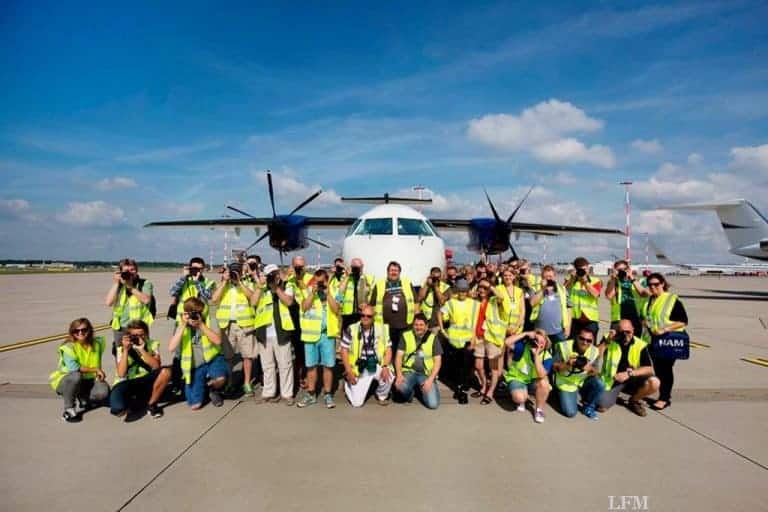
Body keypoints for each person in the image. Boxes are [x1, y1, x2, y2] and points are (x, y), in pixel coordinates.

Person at [168, 297, 228, 409]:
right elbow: (171, 348)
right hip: (195, 366)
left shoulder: (210, 320)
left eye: (196, 313)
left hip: (212, 360)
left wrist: (201, 325)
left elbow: (218, 340)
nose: (193, 316)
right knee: (195, 405)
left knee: (220, 378)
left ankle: (213, 389)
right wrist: (183, 325)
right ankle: (204, 389)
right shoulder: (181, 325)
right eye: (189, 313)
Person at [250, 264, 296, 405]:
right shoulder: (261, 288)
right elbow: (253, 302)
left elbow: (289, 301)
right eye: (270, 274)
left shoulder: (288, 285)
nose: (273, 277)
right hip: (264, 333)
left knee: (285, 364)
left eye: (275, 274)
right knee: (267, 366)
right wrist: (261, 286)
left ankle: (287, 394)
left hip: (281, 332)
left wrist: (276, 288)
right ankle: (268, 392)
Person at [297, 269, 342, 408]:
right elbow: (304, 307)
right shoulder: (306, 291)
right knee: (311, 366)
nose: (319, 284)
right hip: (310, 335)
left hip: (327, 335)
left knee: (328, 366)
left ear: (327, 280)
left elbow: (336, 309)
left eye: (322, 281)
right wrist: (313, 292)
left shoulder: (335, 290)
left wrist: (328, 294)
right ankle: (311, 394)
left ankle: (328, 394)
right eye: (317, 281)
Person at [211, 260, 257, 396]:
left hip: (244, 324)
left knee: (247, 356)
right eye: (233, 271)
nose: (235, 273)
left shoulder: (247, 283)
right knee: (228, 356)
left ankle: (247, 383)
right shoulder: (224, 285)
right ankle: (230, 382)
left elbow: (253, 297)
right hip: (227, 325)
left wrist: (239, 282)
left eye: (238, 270)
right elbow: (214, 299)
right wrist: (224, 281)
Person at [49, 318, 109, 422]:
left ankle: (83, 398)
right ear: (72, 333)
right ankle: (69, 409)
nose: (80, 333)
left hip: (88, 380)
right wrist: (96, 369)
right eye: (76, 331)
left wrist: (97, 376)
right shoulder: (68, 347)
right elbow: (74, 368)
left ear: (90, 330)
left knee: (103, 392)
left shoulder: (98, 343)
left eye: (84, 330)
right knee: (76, 376)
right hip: (67, 381)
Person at [643, 272, 688, 411]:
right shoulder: (649, 300)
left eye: (656, 284)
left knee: (665, 370)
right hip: (653, 341)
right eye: (649, 285)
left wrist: (664, 329)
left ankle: (664, 398)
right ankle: (662, 395)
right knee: (658, 369)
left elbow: (683, 321)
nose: (652, 287)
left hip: (669, 340)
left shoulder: (671, 300)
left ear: (662, 284)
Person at [109, 320, 172, 419]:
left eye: (142, 335)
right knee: (118, 409)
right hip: (127, 382)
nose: (138, 338)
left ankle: (151, 405)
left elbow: (156, 366)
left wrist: (141, 349)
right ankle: (137, 401)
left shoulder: (152, 344)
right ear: (129, 336)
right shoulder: (121, 348)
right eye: (135, 335)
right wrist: (125, 350)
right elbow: (121, 373)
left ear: (146, 334)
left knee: (166, 372)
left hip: (145, 379)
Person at [597, 320, 659, 416]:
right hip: (613, 380)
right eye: (622, 332)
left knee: (654, 382)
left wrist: (628, 374)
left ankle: (634, 400)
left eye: (628, 332)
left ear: (633, 330)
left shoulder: (640, 344)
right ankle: (613, 394)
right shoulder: (610, 339)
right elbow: (595, 355)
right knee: (602, 405)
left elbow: (649, 369)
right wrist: (607, 341)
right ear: (617, 331)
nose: (625, 335)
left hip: (632, 379)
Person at [340, 305, 393, 407]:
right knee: (357, 404)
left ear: (373, 317)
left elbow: (388, 349)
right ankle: (348, 382)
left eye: (369, 316)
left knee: (389, 376)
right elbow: (343, 350)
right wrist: (349, 371)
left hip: (376, 363)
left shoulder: (381, 328)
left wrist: (385, 366)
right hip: (359, 366)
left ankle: (381, 395)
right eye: (363, 315)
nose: (365, 318)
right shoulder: (352, 328)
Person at [438, 278, 478, 404]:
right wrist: (442, 330)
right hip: (454, 340)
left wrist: (473, 338)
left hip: (468, 339)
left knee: (466, 366)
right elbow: (439, 313)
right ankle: (460, 389)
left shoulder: (474, 303)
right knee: (456, 366)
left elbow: (476, 322)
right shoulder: (451, 303)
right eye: (460, 291)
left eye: (464, 291)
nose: (462, 293)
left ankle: (462, 388)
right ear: (457, 291)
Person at [552, 326, 604, 420]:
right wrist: (567, 364)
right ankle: (557, 394)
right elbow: (554, 367)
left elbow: (597, 372)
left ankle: (588, 407)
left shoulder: (594, 351)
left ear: (592, 341)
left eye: (589, 340)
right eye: (582, 338)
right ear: (577, 337)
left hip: (581, 381)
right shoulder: (564, 346)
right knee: (571, 412)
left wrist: (590, 369)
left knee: (600, 384)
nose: (585, 342)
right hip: (565, 383)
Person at [105, 258, 154, 354]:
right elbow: (108, 302)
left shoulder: (144, 283)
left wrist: (130, 287)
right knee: (121, 354)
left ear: (137, 270)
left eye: (132, 270)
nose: (130, 273)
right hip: (120, 327)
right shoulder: (118, 285)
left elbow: (146, 299)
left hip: (139, 327)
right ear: (121, 271)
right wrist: (116, 284)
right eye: (126, 271)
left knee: (141, 353)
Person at [472, 279, 509, 404]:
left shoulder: (493, 301)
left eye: (484, 288)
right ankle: (483, 386)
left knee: (493, 368)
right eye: (480, 288)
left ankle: (490, 392)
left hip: (492, 337)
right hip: (478, 337)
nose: (482, 290)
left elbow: (501, 297)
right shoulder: (475, 302)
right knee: (478, 366)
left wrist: (490, 286)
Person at [503, 330, 552, 424]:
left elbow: (541, 374)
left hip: (532, 382)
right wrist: (525, 334)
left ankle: (539, 411)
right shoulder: (523, 348)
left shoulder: (547, 356)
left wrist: (536, 356)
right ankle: (522, 399)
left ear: (546, 344)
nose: (538, 344)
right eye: (536, 341)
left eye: (542, 342)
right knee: (520, 398)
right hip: (517, 379)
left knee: (544, 383)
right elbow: (506, 342)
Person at [394, 314, 442, 409]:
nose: (418, 327)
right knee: (400, 386)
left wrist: (430, 380)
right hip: (409, 372)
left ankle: (422, 390)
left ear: (426, 326)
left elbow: (438, 361)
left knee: (433, 405)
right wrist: (399, 375)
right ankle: (411, 393)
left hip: (426, 374)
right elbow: (398, 356)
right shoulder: (406, 336)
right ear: (413, 325)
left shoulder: (433, 338)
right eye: (416, 325)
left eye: (421, 325)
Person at [369, 261, 416, 349]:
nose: (394, 272)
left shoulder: (407, 283)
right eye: (391, 270)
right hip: (385, 326)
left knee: (403, 348)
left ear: (399, 272)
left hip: (405, 325)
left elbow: (416, 302)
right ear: (387, 271)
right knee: (388, 349)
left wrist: (416, 320)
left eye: (396, 270)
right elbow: (372, 304)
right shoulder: (379, 284)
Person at [286, 255, 312, 390]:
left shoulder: (309, 278)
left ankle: (306, 376)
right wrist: (286, 278)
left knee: (306, 349)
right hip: (293, 317)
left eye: (301, 266)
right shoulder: (289, 279)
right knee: (296, 350)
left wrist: (300, 280)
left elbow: (310, 296)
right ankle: (297, 376)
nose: (299, 268)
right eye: (296, 266)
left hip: (307, 318)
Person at [605, 260, 650, 337]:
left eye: (624, 269)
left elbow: (644, 294)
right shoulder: (613, 282)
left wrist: (632, 278)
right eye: (619, 270)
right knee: (617, 343)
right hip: (618, 318)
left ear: (628, 269)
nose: (622, 271)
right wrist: (613, 279)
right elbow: (609, 296)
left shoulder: (639, 281)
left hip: (635, 317)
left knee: (635, 343)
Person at [529, 265, 571, 342]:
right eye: (546, 277)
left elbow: (568, 308)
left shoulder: (562, 289)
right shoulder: (535, 288)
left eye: (550, 276)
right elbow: (532, 303)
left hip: (558, 331)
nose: (549, 279)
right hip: (540, 331)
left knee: (559, 353)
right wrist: (543, 289)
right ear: (542, 277)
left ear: (554, 276)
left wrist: (568, 327)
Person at [169, 257, 216, 323]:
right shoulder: (183, 280)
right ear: (190, 268)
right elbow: (172, 292)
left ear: (203, 269)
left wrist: (197, 282)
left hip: (200, 318)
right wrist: (184, 277)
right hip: (183, 318)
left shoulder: (208, 282)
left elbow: (207, 296)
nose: (198, 271)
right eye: (195, 268)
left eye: (200, 269)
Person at [565, 256, 602, 338]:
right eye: (581, 270)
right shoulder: (571, 280)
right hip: (575, 319)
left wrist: (585, 282)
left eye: (585, 269)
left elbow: (596, 294)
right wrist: (571, 279)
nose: (584, 271)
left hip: (590, 319)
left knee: (590, 345)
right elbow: (563, 291)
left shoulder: (595, 280)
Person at [332, 257, 374, 330]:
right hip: (346, 315)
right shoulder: (345, 278)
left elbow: (372, 297)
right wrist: (348, 276)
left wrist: (368, 306)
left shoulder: (368, 278)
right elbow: (339, 292)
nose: (355, 269)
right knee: (347, 337)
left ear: (362, 267)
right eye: (353, 267)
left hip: (362, 314)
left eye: (357, 267)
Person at [516, 260, 541, 331]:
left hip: (533, 313)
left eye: (524, 269)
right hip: (520, 313)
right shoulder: (516, 280)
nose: (523, 272)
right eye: (521, 270)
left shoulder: (537, 279)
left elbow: (538, 297)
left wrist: (528, 284)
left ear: (529, 268)